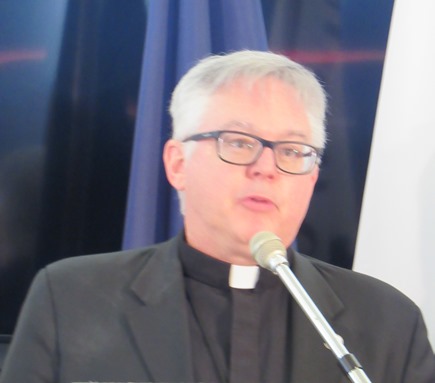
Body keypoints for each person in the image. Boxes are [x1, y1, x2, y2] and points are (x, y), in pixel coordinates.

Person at [1, 50, 434, 383]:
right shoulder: (71, 299)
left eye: (292, 150)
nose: (265, 167)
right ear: (177, 164)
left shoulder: (388, 323)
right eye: (239, 141)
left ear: (312, 176)